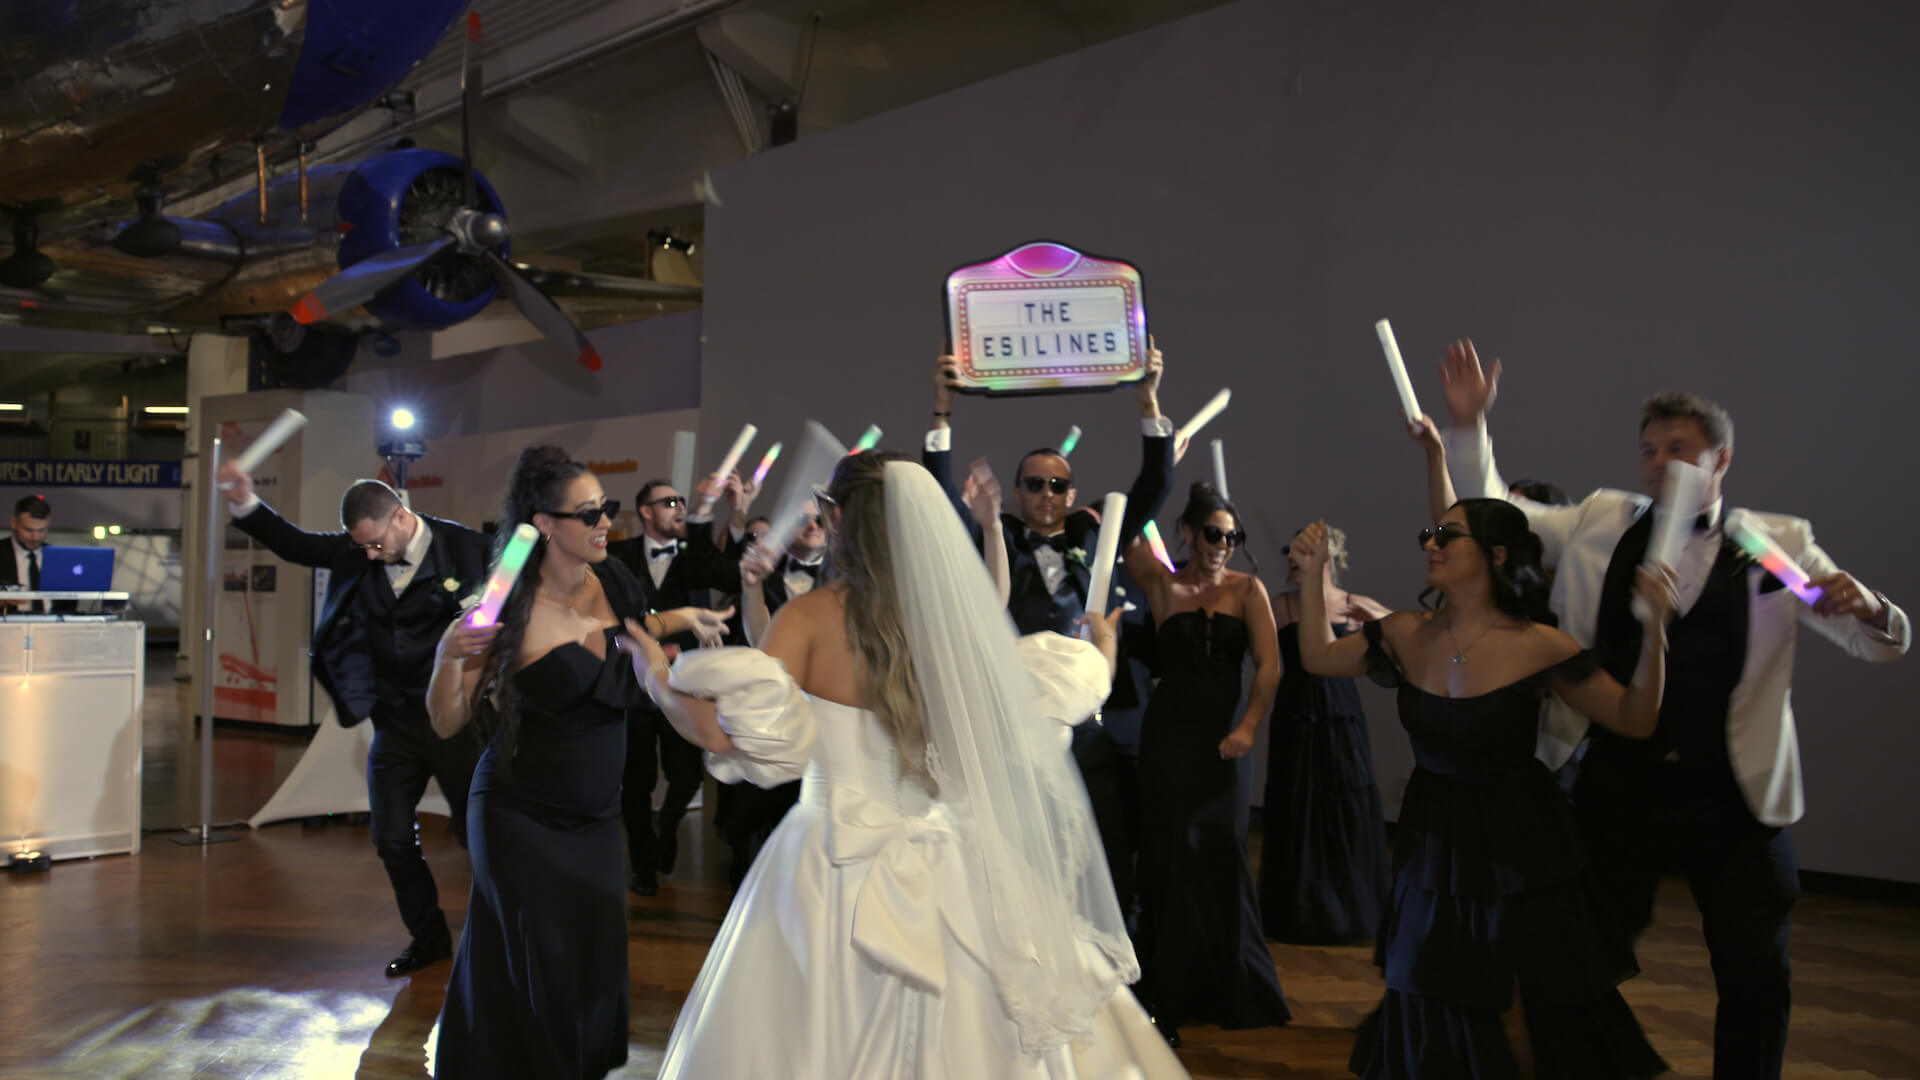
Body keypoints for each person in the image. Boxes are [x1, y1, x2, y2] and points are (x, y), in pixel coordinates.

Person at [1437, 341, 1911, 1078]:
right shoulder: (1602, 519)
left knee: (1756, 969)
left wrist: (1873, 609)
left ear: (1722, 459)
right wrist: (1470, 427)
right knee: (1582, 952)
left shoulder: (1774, 542)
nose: (1659, 463)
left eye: (1678, 449)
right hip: (1619, 780)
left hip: (1735, 790)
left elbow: (1867, 639)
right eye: (1650, 450)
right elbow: (1500, 511)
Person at [638, 450, 1187, 1079]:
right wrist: (1105, 648)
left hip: (830, 859)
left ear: (838, 518)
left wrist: (655, 677)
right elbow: (1049, 699)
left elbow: (727, 731)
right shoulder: (956, 623)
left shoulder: (809, 618)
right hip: (953, 856)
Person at [1297, 446, 1675, 1075]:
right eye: (1430, 533)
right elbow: (1318, 657)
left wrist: (1656, 630)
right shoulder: (1404, 632)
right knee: (1432, 987)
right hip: (1432, 836)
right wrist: (1313, 576)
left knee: (1518, 997)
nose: (1432, 543)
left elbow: (1636, 718)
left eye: (1449, 535)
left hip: (1518, 839)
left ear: (1496, 555)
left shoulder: (1541, 645)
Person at [425, 446, 727, 1079]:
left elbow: (636, 629)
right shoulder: (504, 608)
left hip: (594, 818)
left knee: (588, 963)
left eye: (606, 508)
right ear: (543, 523)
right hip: (519, 818)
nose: (605, 523)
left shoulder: (611, 577)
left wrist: (685, 618)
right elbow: (448, 720)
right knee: (544, 965)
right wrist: (446, 655)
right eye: (588, 513)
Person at [924, 345, 1174, 928]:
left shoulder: (1095, 534)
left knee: (1103, 840)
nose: (1046, 494)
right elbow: (938, 500)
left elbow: (1156, 483)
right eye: (1035, 484)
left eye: (1057, 485)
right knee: (1017, 844)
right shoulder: (997, 536)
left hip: (1089, 719)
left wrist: (1148, 400)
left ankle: (1107, 945)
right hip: (1012, 718)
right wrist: (942, 411)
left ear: (1071, 493)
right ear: (1017, 491)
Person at [217, 460, 488, 978]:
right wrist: (245, 500)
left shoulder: (469, 549)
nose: (369, 555)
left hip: (457, 720)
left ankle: (497, 935)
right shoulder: (357, 550)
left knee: (477, 836)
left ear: (401, 517)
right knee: (391, 837)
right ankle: (428, 939)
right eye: (362, 546)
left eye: (376, 544)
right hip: (393, 722)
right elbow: (295, 545)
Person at [1123, 482, 1289, 1043]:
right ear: (1189, 534)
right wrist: (1162, 463)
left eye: (1232, 537)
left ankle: (1229, 985)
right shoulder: (1161, 584)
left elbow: (1269, 666)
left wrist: (1248, 727)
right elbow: (1125, 530)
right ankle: (1167, 988)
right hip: (1168, 738)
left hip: (1226, 740)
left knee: (1221, 848)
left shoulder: (1248, 589)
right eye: (1214, 534)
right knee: (1169, 849)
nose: (1223, 546)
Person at [606, 474, 744, 892]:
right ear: (644, 512)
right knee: (636, 781)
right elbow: (609, 616)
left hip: (685, 683)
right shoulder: (616, 556)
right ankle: (643, 866)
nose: (678, 507)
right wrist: (646, 646)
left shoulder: (693, 555)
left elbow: (730, 575)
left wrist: (736, 513)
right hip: (633, 683)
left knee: (686, 776)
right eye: (668, 502)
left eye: (681, 501)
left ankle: (667, 827)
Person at [1258, 523, 1392, 945]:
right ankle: (1296, 914)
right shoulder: (1281, 605)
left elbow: (1407, 640)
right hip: (1296, 714)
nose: (1291, 559)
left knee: (1345, 803)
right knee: (1296, 802)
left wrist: (1378, 621)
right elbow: (1265, 661)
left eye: (1302, 552)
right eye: (1290, 551)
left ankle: (1350, 912)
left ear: (1327, 560)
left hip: (1341, 715)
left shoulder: (1354, 604)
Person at [3, 495, 52, 613]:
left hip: (56, 621)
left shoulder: (57, 557)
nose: (35, 537)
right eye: (28, 530)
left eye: (42, 530)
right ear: (13, 523)